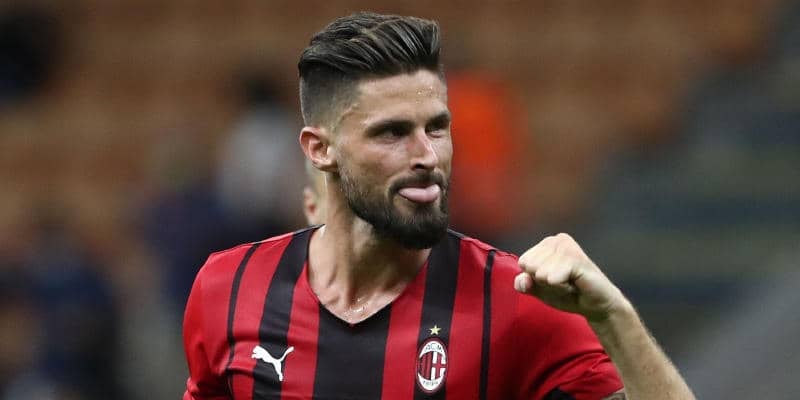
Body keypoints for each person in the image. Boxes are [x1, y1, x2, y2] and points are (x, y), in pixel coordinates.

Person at [182, 12, 695, 400]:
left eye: (437, 127)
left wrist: (614, 316)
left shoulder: (517, 302)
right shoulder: (228, 290)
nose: (427, 155)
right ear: (321, 150)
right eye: (392, 133)